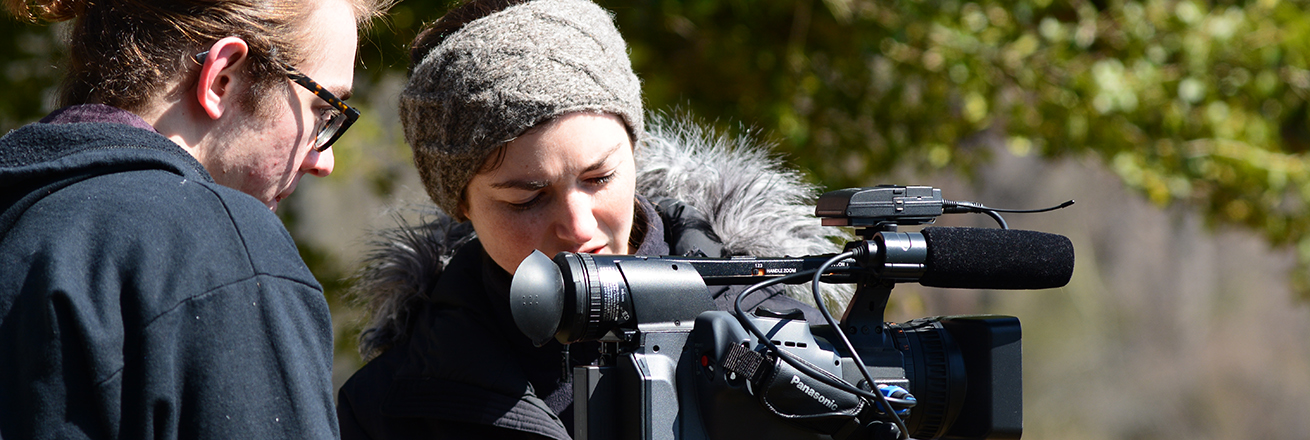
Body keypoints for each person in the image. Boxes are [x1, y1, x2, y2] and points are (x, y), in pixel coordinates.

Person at [335, 0, 851, 438]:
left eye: (599, 178)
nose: (578, 226)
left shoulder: (780, 337)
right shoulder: (393, 404)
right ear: (460, 203)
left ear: (635, 150)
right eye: (526, 199)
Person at [0, 0, 390, 438]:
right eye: (324, 109)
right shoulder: (221, 246)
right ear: (222, 79)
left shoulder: (21, 219)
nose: (324, 160)